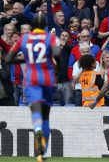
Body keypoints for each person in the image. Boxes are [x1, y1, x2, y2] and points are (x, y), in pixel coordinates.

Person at [5, 12, 61, 162]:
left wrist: (28, 58)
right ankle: (43, 153)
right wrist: (57, 67)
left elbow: (9, 58)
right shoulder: (50, 37)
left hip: (31, 79)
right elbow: (57, 53)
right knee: (46, 117)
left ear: (33, 25)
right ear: (44, 25)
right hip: (48, 78)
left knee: (36, 111)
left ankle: (37, 131)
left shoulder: (24, 38)